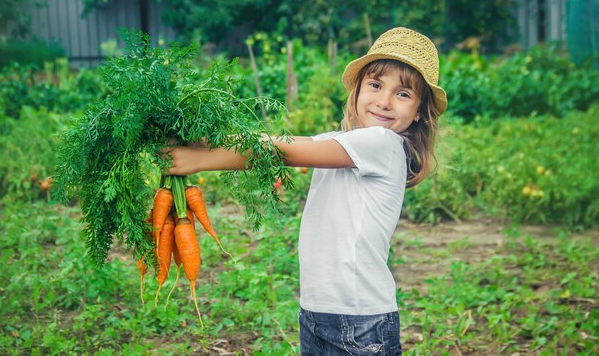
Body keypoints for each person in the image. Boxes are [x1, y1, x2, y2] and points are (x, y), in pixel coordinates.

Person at [165, 27, 447, 356]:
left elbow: (282, 152)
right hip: (319, 311)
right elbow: (288, 146)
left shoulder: (383, 143)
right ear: (357, 90)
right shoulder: (346, 142)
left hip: (360, 321)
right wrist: (201, 143)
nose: (384, 101)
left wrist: (199, 160)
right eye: (375, 85)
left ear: (417, 113)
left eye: (403, 94)